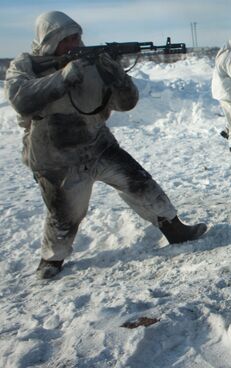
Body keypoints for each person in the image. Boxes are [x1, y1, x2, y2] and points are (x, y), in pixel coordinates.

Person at [4, 11, 207, 279]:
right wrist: (62, 78)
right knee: (64, 214)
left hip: (99, 145)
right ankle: (52, 259)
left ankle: (174, 228)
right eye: (67, 39)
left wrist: (118, 78)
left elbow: (126, 104)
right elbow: (21, 99)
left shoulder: (92, 63)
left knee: (140, 183)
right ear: (49, 40)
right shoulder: (26, 65)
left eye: (77, 36)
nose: (75, 43)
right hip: (56, 156)